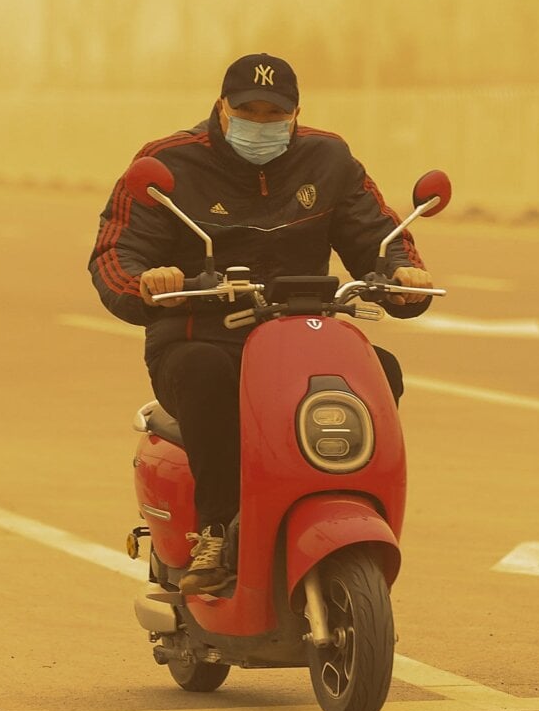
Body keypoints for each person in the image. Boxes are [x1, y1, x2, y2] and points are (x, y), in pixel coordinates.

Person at [87, 53, 434, 595]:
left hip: (303, 340)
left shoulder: (330, 159)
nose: (261, 122)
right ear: (222, 108)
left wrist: (401, 273)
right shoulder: (166, 164)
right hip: (200, 336)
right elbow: (116, 254)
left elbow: (377, 237)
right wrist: (146, 283)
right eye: (248, 109)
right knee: (204, 376)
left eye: (275, 113)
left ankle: (349, 509)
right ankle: (217, 530)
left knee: (378, 371)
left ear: (297, 114)